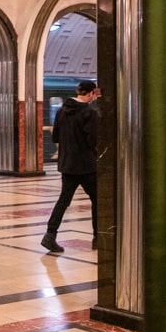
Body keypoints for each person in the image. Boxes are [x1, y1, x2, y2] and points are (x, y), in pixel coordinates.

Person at [43, 80, 102, 253]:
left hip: (67, 164)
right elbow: (92, 140)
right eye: (94, 95)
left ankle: (50, 235)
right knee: (97, 200)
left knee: (63, 200)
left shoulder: (61, 110)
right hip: (86, 166)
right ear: (90, 94)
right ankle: (98, 237)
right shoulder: (90, 113)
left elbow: (55, 137)